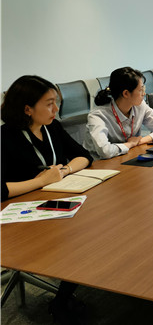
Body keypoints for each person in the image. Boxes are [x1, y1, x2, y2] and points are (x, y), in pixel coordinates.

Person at [1, 75, 93, 323]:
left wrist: (65, 171)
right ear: (27, 109)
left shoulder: (52, 128)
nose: (56, 109)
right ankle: (61, 303)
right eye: (50, 104)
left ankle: (64, 296)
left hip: (51, 203)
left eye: (56, 102)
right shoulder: (5, 137)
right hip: (17, 214)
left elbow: (84, 156)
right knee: (79, 241)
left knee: (92, 229)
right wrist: (41, 181)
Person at [84, 67, 153, 159]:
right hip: (99, 164)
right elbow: (105, 151)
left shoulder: (140, 106)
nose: (144, 93)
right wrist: (130, 144)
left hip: (128, 156)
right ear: (126, 93)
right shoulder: (98, 116)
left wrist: (141, 140)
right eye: (140, 90)